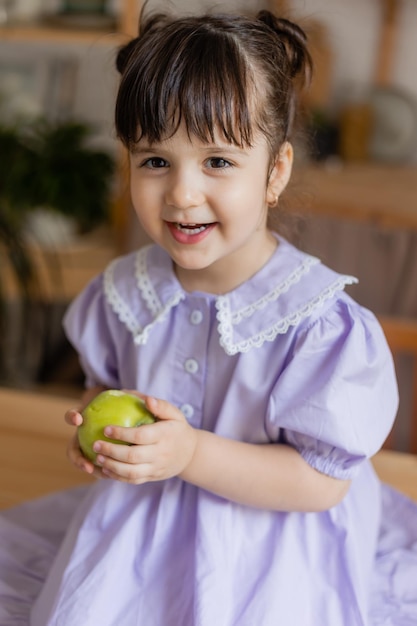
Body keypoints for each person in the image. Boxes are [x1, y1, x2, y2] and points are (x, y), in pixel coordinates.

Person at [1, 7, 417, 626]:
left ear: (274, 172)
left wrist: (189, 454)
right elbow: (108, 385)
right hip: (143, 528)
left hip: (271, 543)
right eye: (154, 161)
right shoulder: (125, 291)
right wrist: (107, 434)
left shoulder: (315, 323)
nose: (182, 193)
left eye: (218, 161)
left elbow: (320, 484)